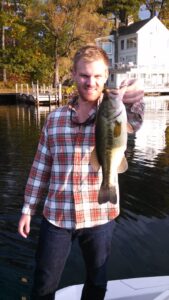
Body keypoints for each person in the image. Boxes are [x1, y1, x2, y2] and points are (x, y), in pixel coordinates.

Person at [18, 45, 144, 300]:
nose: (91, 82)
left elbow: (134, 122)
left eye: (98, 76)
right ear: (74, 74)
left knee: (97, 282)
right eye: (85, 75)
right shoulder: (54, 119)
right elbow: (41, 166)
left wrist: (134, 97)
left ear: (106, 76)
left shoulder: (111, 107)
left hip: (100, 214)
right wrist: (27, 209)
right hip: (57, 215)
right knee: (43, 283)